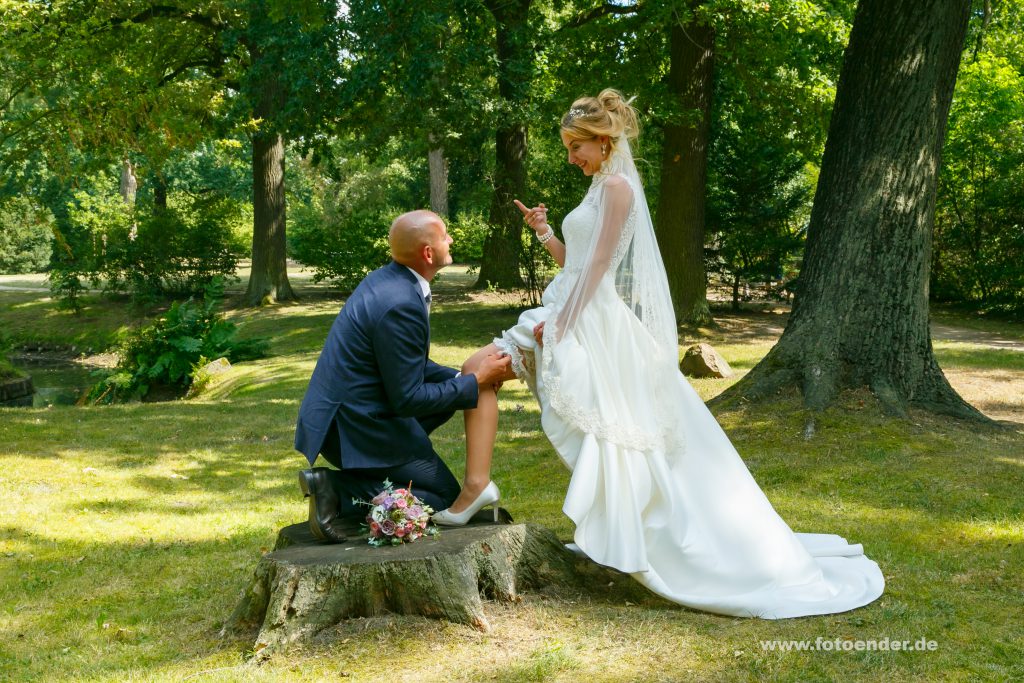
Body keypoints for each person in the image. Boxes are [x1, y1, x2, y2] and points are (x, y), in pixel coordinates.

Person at [457, 89, 885, 619]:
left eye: (577, 147)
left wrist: (563, 325)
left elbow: (600, 269)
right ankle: (506, 495)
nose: (572, 158)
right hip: (570, 305)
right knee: (513, 385)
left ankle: (491, 492)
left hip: (588, 316)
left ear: (604, 140)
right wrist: (544, 231)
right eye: (569, 148)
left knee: (493, 375)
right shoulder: (598, 188)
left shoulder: (617, 189)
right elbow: (576, 263)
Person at [294, 210, 512, 542]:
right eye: (445, 236)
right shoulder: (400, 303)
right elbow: (407, 397)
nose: (451, 239)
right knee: (441, 498)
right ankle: (335, 488)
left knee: (449, 398)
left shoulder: (390, 280)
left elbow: (408, 364)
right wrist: (474, 382)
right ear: (428, 253)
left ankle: (378, 471)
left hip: (347, 417)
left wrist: (461, 375)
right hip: (356, 430)